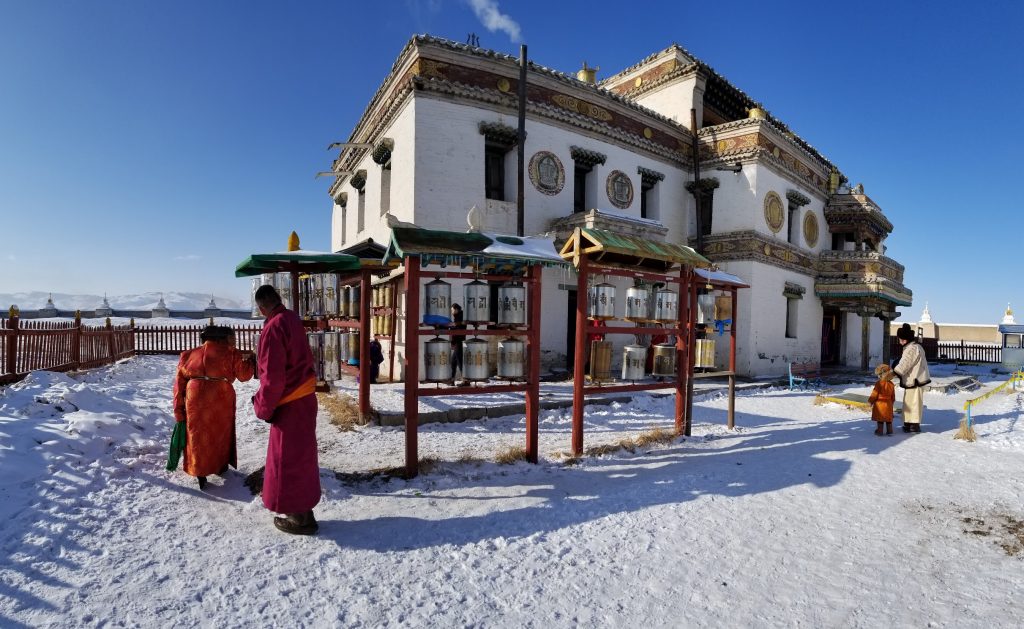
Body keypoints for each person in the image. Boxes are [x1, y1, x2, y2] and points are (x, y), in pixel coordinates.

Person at [252, 284, 321, 535]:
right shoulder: (292, 318)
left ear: (261, 308)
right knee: (301, 458)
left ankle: (298, 518)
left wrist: (263, 407)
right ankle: (305, 511)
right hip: (305, 399)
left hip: (289, 403)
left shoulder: (273, 327)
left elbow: (273, 378)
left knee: (286, 461)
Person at [171, 325, 255, 490]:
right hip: (220, 397)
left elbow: (179, 385)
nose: (234, 341)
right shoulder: (231, 353)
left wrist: (178, 409)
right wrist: (252, 360)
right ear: (223, 338)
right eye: (233, 338)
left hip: (193, 396)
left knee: (196, 433)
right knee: (219, 432)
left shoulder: (188, 355)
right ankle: (219, 465)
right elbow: (244, 375)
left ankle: (199, 469)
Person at [892, 322, 931, 433]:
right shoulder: (911, 347)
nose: (900, 342)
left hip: (916, 379)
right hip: (912, 379)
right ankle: (908, 423)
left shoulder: (913, 348)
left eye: (901, 339)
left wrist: (894, 372)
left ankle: (914, 424)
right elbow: (904, 361)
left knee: (915, 402)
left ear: (906, 339)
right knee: (908, 402)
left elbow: (905, 364)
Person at [868, 363, 896, 436]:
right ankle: (890, 431)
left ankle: (879, 431)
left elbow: (875, 393)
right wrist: (891, 402)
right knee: (888, 418)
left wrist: (870, 401)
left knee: (880, 418)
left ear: (880, 375)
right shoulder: (891, 384)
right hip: (888, 403)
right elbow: (893, 396)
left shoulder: (879, 383)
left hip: (880, 404)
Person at [449, 303, 465, 383]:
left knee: (460, 362)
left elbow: (460, 324)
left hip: (459, 342)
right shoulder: (457, 317)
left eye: (452, 310)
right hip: (456, 342)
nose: (451, 312)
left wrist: (452, 324)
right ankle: (452, 380)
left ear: (456, 309)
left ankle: (465, 380)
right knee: (453, 362)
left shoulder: (461, 315)